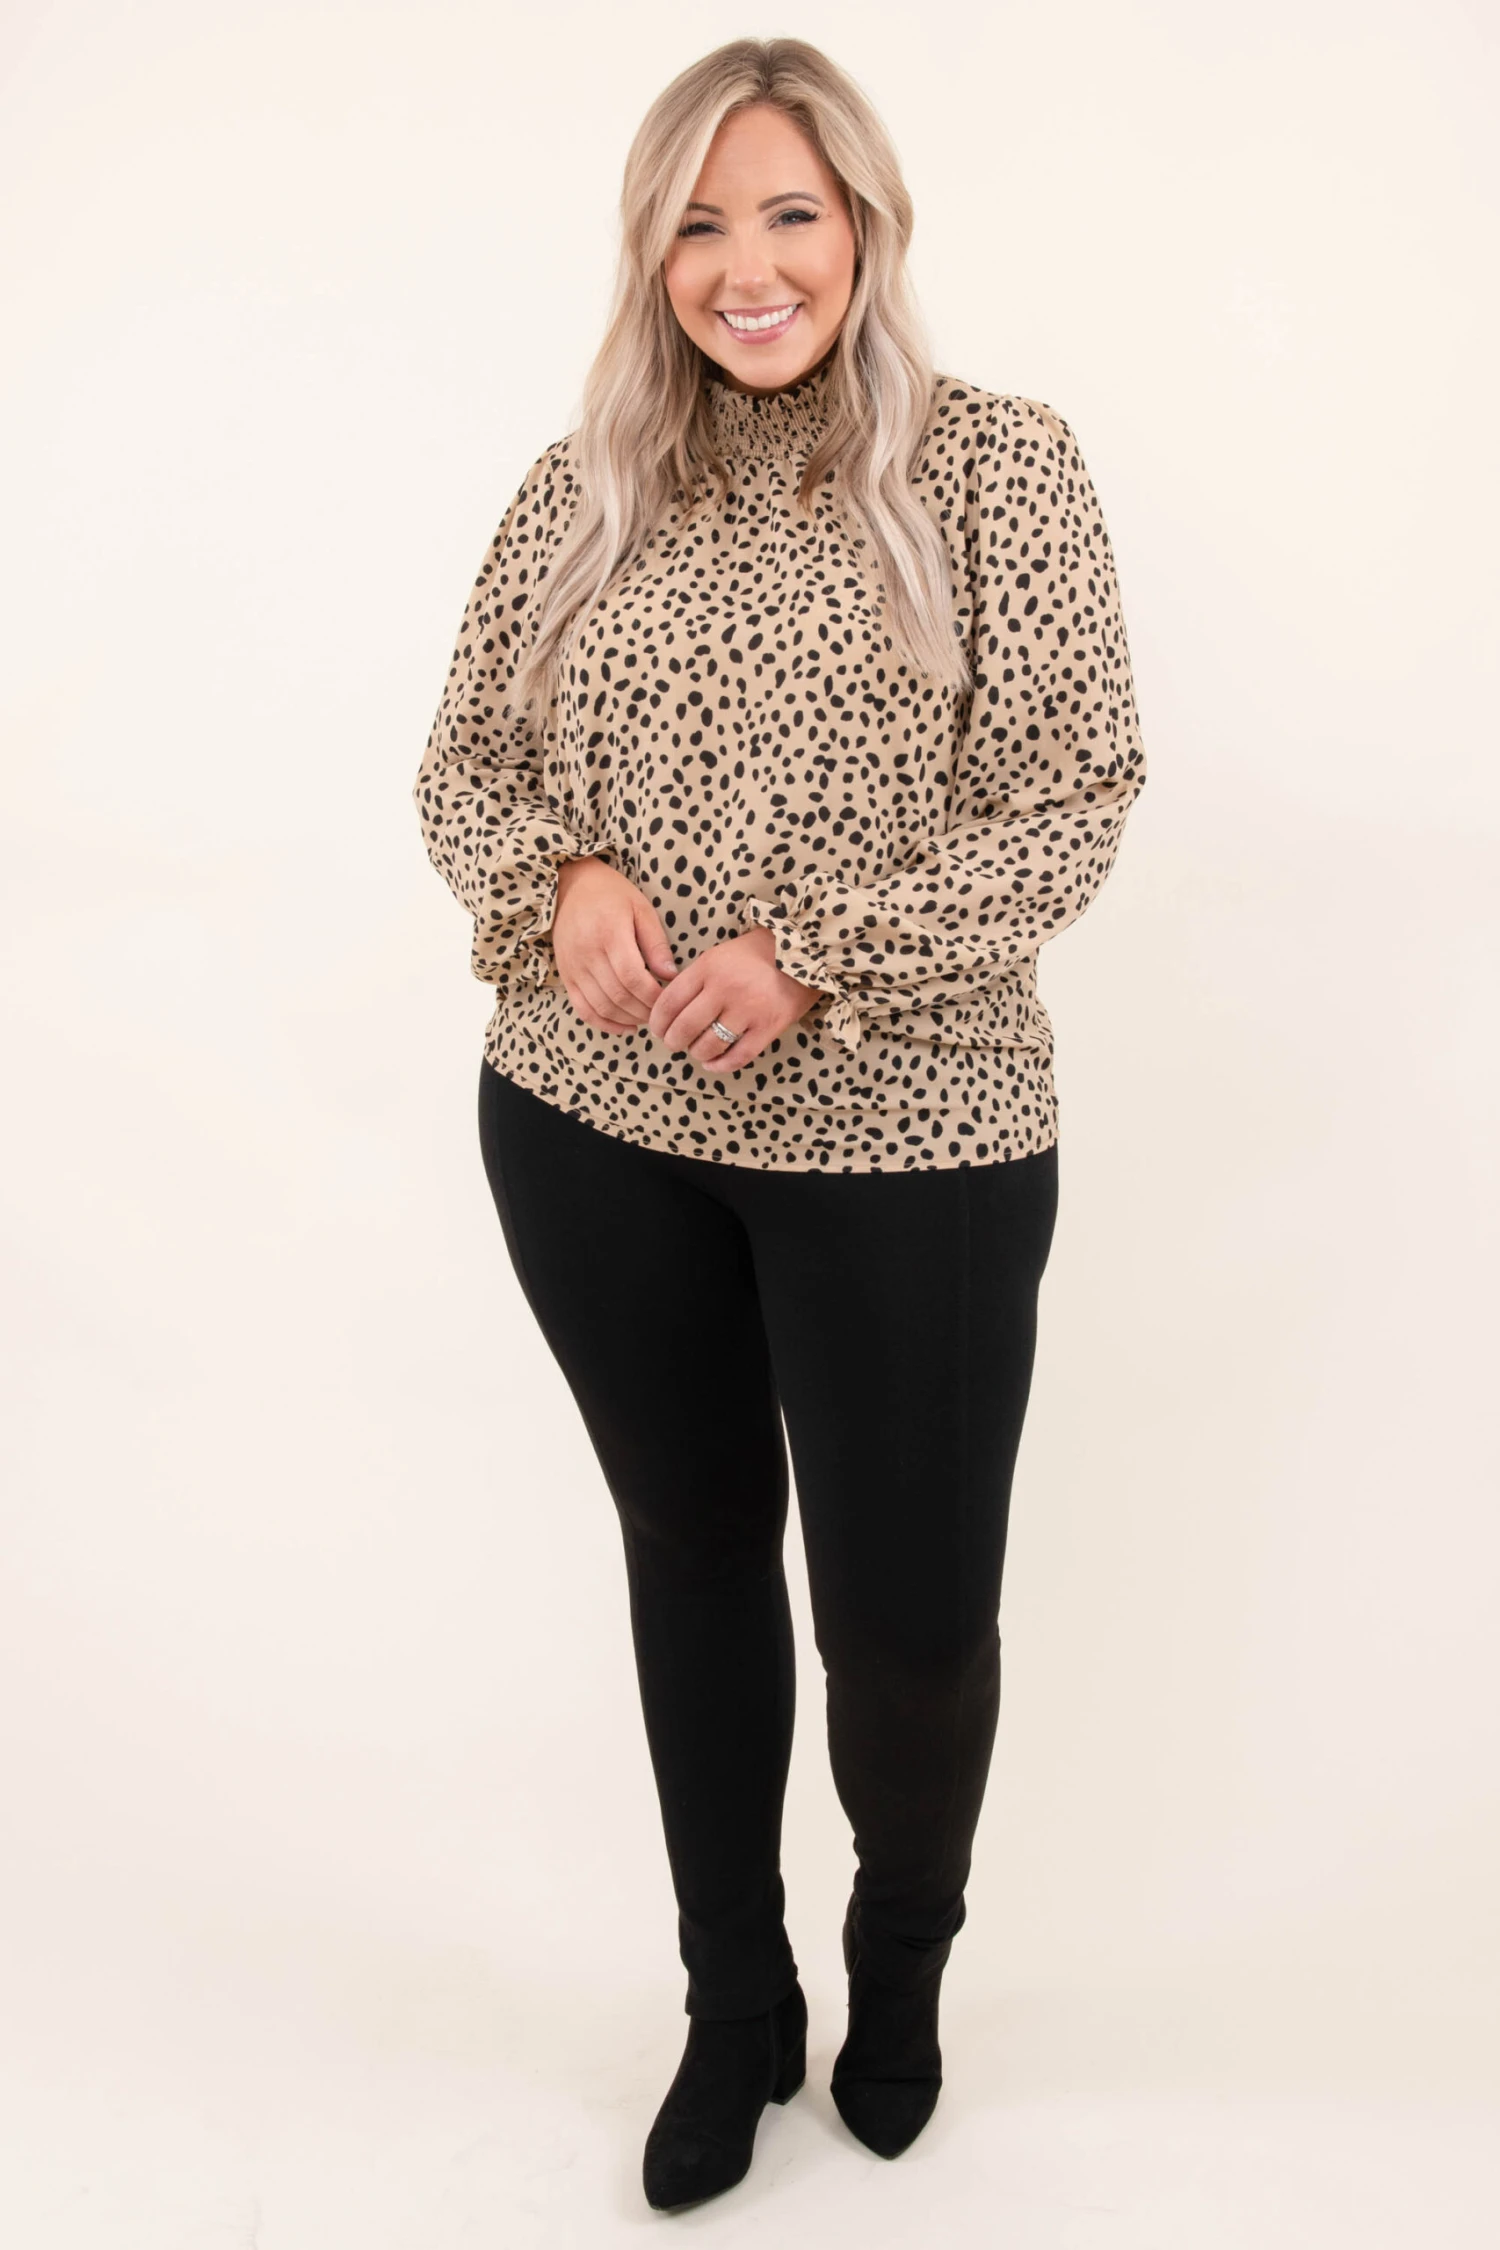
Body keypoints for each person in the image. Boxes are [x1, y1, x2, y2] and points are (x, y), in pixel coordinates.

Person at [411, 35, 1147, 2215]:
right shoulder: (583, 489)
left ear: (867, 228)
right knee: (698, 1556)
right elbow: (461, 765)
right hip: (592, 1121)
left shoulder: (999, 466)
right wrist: (561, 876)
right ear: (651, 253)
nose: (748, 267)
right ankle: (737, 2001)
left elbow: (1075, 796)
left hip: (916, 1139)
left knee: (908, 1622)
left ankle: (898, 1966)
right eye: (700, 224)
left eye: (790, 215)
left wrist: (816, 954)